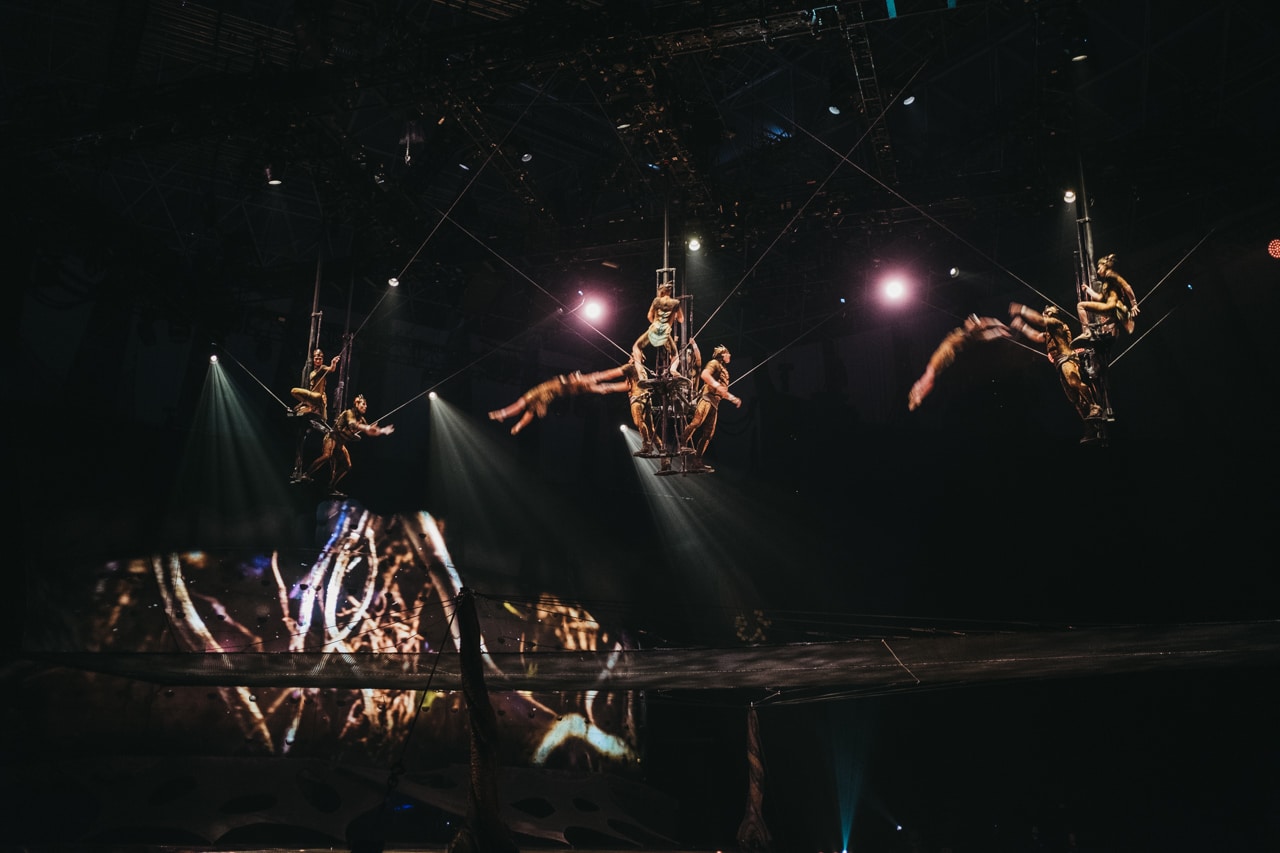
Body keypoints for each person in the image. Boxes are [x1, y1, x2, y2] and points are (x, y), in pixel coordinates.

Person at [1010, 303, 1104, 424]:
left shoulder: (1056, 323)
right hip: (1060, 362)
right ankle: (1089, 423)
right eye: (1046, 312)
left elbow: (1039, 320)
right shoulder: (1049, 331)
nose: (1046, 313)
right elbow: (1037, 336)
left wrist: (1022, 309)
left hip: (1067, 358)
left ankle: (1094, 406)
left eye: (1049, 312)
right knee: (1073, 397)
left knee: (1074, 382)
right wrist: (1022, 326)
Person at [487, 362, 636, 436]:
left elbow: (523, 408)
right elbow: (528, 413)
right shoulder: (538, 400)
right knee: (601, 384)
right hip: (571, 386)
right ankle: (625, 383)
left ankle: (626, 372)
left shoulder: (534, 397)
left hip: (570, 384)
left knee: (601, 381)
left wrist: (508, 417)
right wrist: (518, 425)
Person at [907, 315, 1012, 411]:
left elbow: (929, 382)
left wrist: (919, 393)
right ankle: (998, 329)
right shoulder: (932, 369)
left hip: (949, 348)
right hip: (950, 349)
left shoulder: (932, 368)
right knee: (975, 335)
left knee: (975, 333)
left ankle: (996, 328)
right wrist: (918, 393)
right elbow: (929, 382)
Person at [301, 394, 394, 495]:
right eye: (363, 404)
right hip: (332, 438)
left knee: (347, 466)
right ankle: (306, 474)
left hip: (340, 444)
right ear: (356, 404)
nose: (365, 406)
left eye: (366, 404)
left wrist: (381, 431)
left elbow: (369, 431)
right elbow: (352, 424)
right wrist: (366, 428)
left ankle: (331, 487)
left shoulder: (361, 419)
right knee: (327, 455)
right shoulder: (349, 413)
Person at [679, 344, 741, 472]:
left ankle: (697, 461)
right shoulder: (714, 363)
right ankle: (682, 444)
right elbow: (705, 375)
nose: (729, 355)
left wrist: (733, 398)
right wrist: (717, 385)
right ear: (722, 355)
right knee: (697, 422)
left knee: (708, 434)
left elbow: (722, 391)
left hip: (715, 403)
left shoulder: (724, 370)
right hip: (707, 398)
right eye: (727, 353)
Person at [1076, 253, 1139, 340]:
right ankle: (1112, 323)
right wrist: (1088, 290)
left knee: (1080, 306)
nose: (1098, 271)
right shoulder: (1107, 283)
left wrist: (1134, 304)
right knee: (1104, 324)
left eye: (1099, 268)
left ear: (1105, 266)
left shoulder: (1111, 275)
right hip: (1111, 310)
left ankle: (1086, 332)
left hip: (1111, 307)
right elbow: (1099, 298)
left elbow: (1127, 287)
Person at [631, 281, 684, 370]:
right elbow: (681, 319)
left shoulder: (656, 300)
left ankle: (639, 370)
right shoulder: (676, 303)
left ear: (661, 292)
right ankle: (673, 370)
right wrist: (674, 316)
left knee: (636, 347)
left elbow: (649, 316)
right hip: (665, 332)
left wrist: (655, 325)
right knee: (675, 354)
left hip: (654, 328)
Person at [290, 348, 340, 421]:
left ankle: (312, 407)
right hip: (312, 398)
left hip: (317, 396)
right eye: (316, 359)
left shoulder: (322, 368)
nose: (318, 361)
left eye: (320, 359)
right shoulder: (312, 373)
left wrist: (333, 363)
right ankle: (311, 408)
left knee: (294, 391)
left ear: (322, 360)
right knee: (297, 411)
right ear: (313, 359)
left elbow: (331, 369)